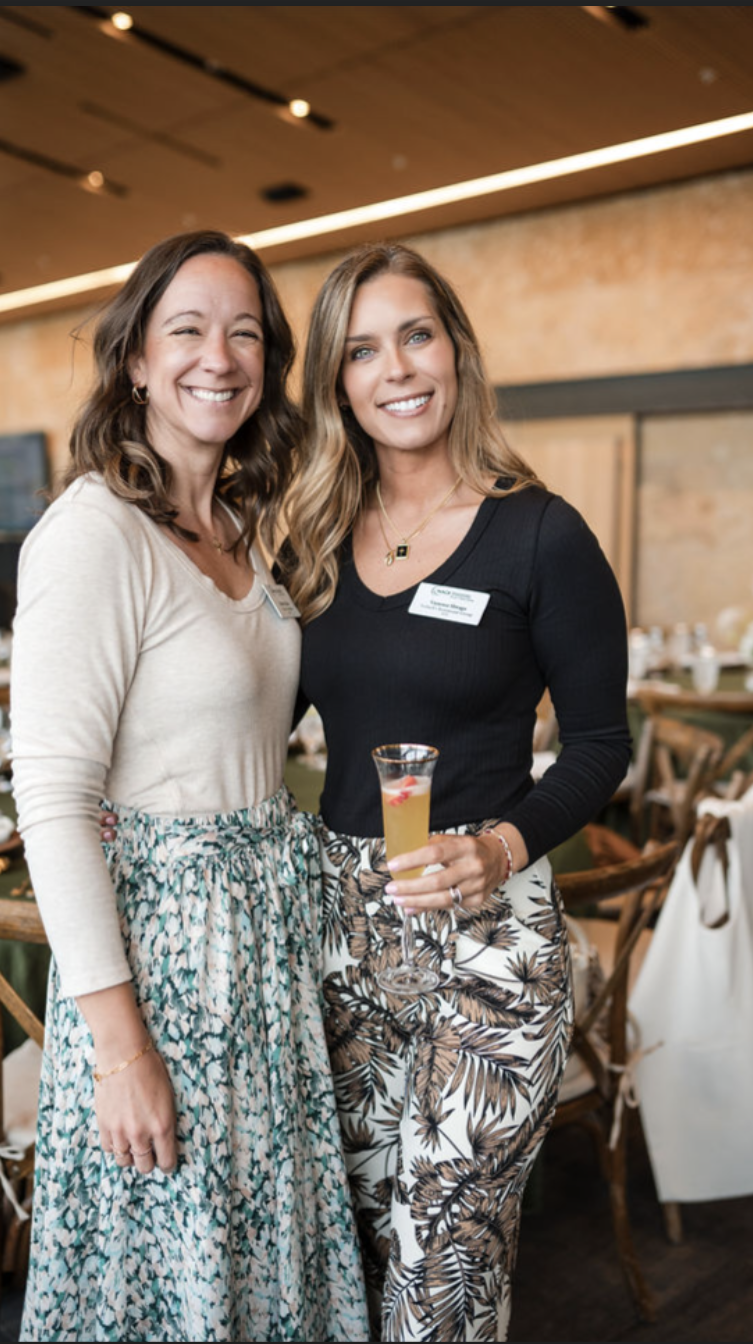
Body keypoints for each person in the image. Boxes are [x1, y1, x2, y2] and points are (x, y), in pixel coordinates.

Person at [10, 230, 369, 1343]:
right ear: (133, 360)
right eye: (187, 329)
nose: (219, 356)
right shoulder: (92, 535)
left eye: (245, 332)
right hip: (160, 976)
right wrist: (123, 1053)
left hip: (260, 964)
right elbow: (54, 803)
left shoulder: (242, 534)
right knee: (171, 1276)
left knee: (258, 1264)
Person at [277, 242, 633, 1342]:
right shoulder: (313, 542)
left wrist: (503, 846)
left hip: (488, 946)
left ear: (457, 350)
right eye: (362, 350)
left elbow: (600, 744)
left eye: (416, 335)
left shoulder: (542, 532)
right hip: (338, 937)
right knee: (364, 1241)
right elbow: (258, 720)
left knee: (443, 1277)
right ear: (337, 383)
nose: (396, 369)